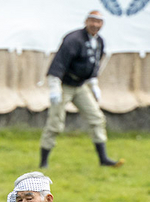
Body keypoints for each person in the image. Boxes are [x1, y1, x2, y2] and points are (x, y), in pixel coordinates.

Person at [39, 10, 122, 169]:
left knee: (96, 118)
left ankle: (103, 158)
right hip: (64, 85)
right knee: (55, 123)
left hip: (81, 86)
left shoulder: (99, 42)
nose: (95, 25)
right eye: (92, 21)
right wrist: (54, 87)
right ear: (86, 22)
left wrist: (94, 85)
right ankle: (44, 162)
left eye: (99, 22)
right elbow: (58, 64)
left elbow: (93, 66)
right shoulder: (73, 40)